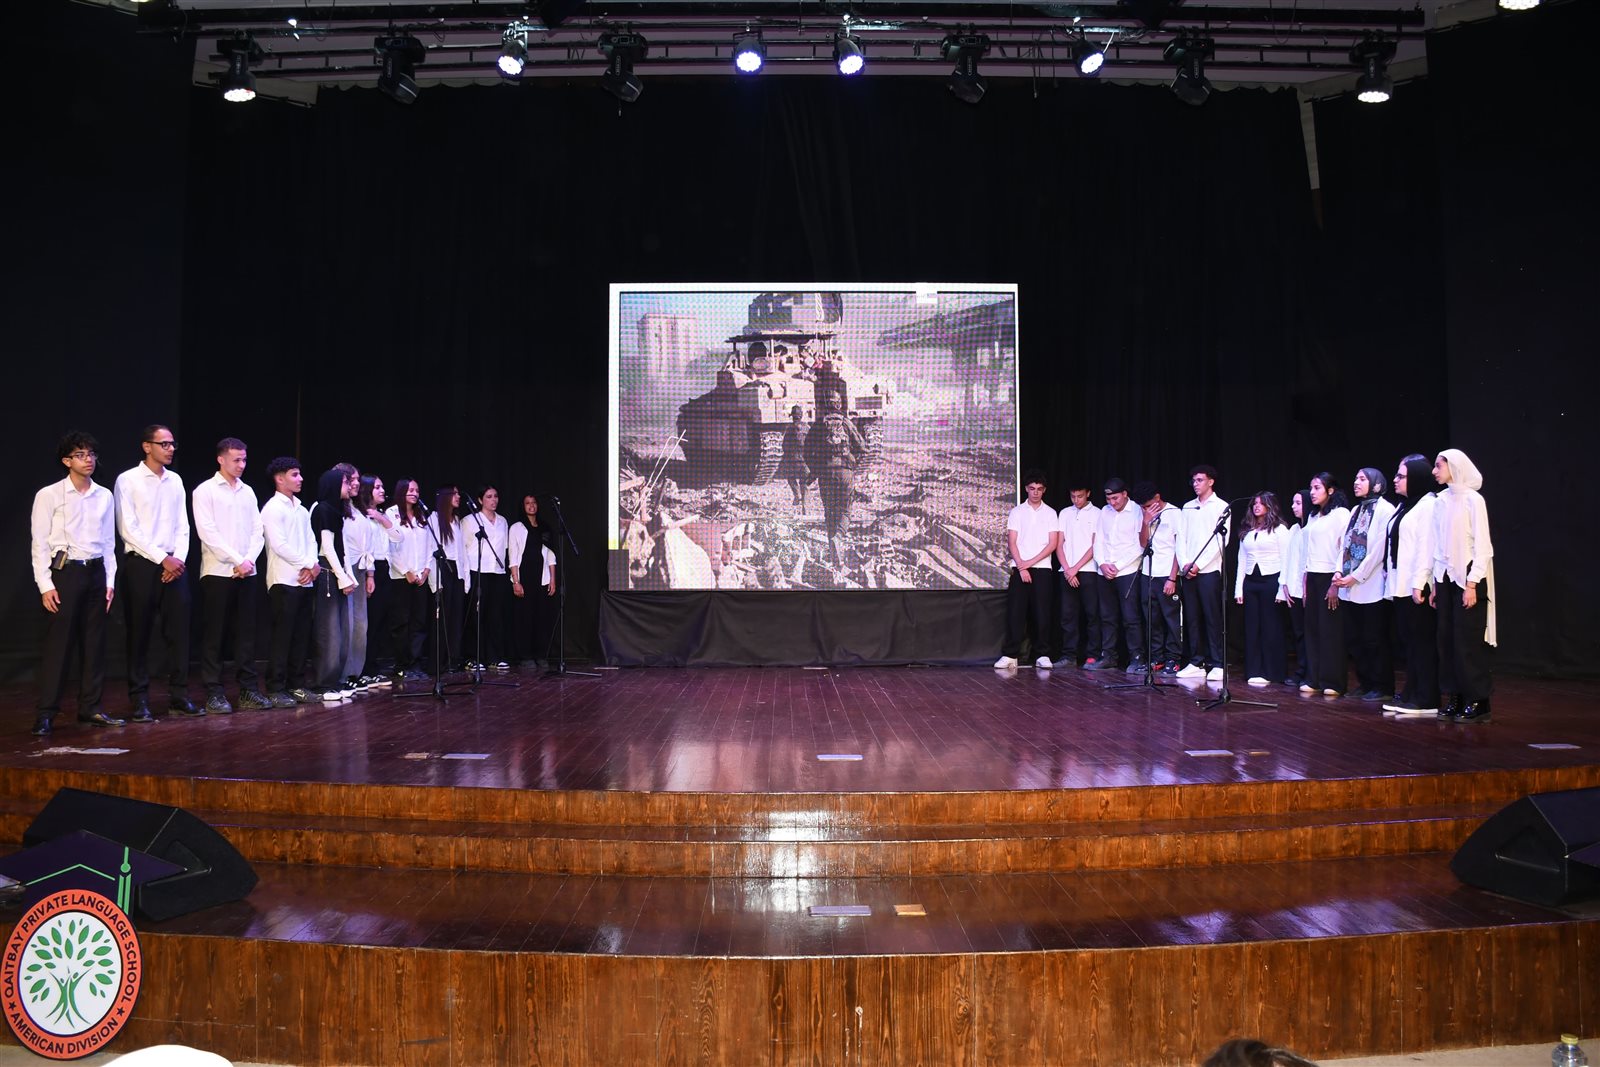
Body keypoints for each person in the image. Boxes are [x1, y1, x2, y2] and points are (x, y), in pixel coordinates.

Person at [30, 432, 121, 735]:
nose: (88, 460)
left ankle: (90, 707)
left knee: (94, 644)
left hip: (96, 572)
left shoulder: (104, 495)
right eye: (80, 455)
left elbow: (109, 542)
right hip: (66, 573)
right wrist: (45, 584)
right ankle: (46, 712)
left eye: (91, 454)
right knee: (59, 645)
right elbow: (39, 543)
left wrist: (109, 580)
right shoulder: (49, 495)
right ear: (66, 461)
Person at [114, 424, 197, 720]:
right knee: (139, 633)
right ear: (147, 446)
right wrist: (163, 559)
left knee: (179, 633)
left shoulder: (175, 480)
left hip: (175, 565)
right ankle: (139, 699)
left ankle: (179, 695)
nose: (171, 449)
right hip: (142, 563)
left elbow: (183, 525)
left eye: (173, 444)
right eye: (164, 444)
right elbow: (128, 528)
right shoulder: (128, 480)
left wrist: (178, 560)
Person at [191, 436, 269, 714]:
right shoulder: (205, 491)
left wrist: (248, 560)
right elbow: (207, 532)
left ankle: (248, 690)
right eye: (236, 460)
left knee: (246, 635)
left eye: (244, 460)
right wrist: (237, 559)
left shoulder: (248, 492)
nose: (241, 465)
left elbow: (258, 530)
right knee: (215, 635)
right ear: (220, 459)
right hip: (218, 572)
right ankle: (214, 692)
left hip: (247, 572)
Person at [1431, 448, 1495, 723]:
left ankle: (1478, 699)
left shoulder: (1473, 500)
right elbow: (1437, 543)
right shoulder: (1441, 501)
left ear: (1454, 467)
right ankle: (1455, 695)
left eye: (1439, 465)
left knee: (1467, 641)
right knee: (1446, 640)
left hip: (1468, 577)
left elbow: (1483, 547)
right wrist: (1435, 583)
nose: (1434, 471)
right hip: (1445, 577)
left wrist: (1471, 584)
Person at [1332, 467, 1397, 703]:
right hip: (1350, 585)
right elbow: (1345, 544)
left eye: (1362, 479)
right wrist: (1339, 571)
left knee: (1374, 639)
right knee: (1355, 638)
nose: (1356, 482)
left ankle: (1382, 686)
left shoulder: (1385, 509)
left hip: (1372, 584)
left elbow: (1378, 550)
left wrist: (1356, 576)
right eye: (1356, 478)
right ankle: (1366, 682)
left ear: (1376, 483)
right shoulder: (1355, 510)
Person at [1383, 454, 1439, 718]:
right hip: (1402, 584)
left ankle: (1426, 698)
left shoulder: (1428, 506)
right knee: (1410, 642)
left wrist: (1419, 583)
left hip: (1419, 585)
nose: (1395, 480)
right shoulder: (1405, 506)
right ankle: (1411, 693)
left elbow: (1426, 547)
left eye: (1401, 476)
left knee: (1422, 643)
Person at [260, 457, 320, 706]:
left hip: (305, 580)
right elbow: (279, 544)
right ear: (279, 478)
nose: (300, 479)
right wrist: (306, 564)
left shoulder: (302, 510)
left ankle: (297, 685)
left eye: (299, 474)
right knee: (282, 637)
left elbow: (311, 540)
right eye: (294, 474)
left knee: (301, 636)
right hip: (283, 580)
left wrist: (313, 565)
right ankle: (275, 687)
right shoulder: (273, 508)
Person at [994, 468, 1059, 670]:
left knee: (1042, 613)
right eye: (1032, 488)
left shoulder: (1051, 513)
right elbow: (1012, 542)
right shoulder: (1017, 512)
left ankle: (1043, 654)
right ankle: (1010, 655)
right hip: (1019, 568)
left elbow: (1052, 544)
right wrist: (1022, 567)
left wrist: (1028, 564)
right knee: (1016, 613)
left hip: (1042, 568)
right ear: (1026, 489)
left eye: (1039, 489)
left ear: (1044, 490)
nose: (1035, 492)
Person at [1175, 464, 1229, 681]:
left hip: (1208, 571)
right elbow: (1181, 537)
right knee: (1192, 617)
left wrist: (1199, 564)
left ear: (1211, 482)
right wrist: (1185, 564)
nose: (1196, 484)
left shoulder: (1221, 506)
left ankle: (1217, 663)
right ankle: (1196, 661)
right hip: (1188, 570)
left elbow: (1220, 542)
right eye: (1194, 481)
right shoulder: (1188, 507)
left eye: (1200, 480)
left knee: (1211, 617)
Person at [310, 465, 359, 702]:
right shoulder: (323, 509)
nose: (349, 487)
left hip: (337, 571)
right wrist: (341, 576)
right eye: (345, 482)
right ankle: (324, 683)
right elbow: (327, 548)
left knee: (339, 630)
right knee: (328, 630)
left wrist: (350, 575)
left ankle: (335, 679)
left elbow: (343, 547)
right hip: (327, 572)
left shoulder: (336, 510)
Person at [1233, 492, 1291, 687]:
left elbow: (1286, 559)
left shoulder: (1279, 529)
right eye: (1254, 503)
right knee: (1252, 627)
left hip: (1271, 581)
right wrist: (1238, 589)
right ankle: (1254, 670)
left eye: (1261, 503)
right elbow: (1241, 560)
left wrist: (1282, 589)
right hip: (1251, 582)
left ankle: (1272, 671)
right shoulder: (1247, 531)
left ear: (1270, 506)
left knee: (1271, 627)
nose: (1256, 506)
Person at [803, 394, 866, 568]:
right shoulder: (846, 423)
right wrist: (853, 464)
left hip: (825, 473)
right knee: (845, 511)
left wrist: (815, 470)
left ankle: (834, 557)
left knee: (829, 512)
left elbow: (806, 451)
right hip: (845, 472)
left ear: (825, 405)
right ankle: (838, 537)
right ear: (839, 405)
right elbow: (862, 447)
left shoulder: (818, 425)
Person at [1302, 472, 1351, 697]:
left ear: (1330, 490)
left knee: (1330, 630)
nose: (1312, 492)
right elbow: (1308, 551)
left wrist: (1336, 581)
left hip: (1330, 576)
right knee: (1312, 629)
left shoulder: (1341, 514)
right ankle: (1314, 678)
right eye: (1311, 488)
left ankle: (1333, 681)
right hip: (1312, 575)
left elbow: (1344, 548)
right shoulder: (1314, 516)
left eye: (1317, 488)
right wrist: (1305, 581)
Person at [1092, 477, 1144, 671]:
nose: (1112, 503)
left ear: (1125, 494)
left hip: (1127, 571)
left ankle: (1137, 657)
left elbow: (1140, 544)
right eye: (1108, 499)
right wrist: (1102, 563)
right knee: (1107, 616)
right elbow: (1098, 540)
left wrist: (1118, 566)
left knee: (1131, 617)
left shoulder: (1137, 511)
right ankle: (1108, 656)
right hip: (1105, 571)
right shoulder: (1104, 512)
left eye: (1115, 498)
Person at [1131, 481, 1182, 675]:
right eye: (1142, 507)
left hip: (1167, 573)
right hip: (1148, 572)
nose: (1145, 509)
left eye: (1148, 505)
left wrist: (1172, 578)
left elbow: (1179, 548)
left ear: (1157, 498)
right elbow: (1143, 543)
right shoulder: (1143, 514)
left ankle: (1173, 658)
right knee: (1152, 618)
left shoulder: (1174, 513)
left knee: (1171, 618)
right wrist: (1146, 522)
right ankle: (1156, 658)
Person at [354, 475, 398, 687]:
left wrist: (381, 518)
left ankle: (373, 666)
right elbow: (366, 547)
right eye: (377, 487)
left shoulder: (382, 515)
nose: (382, 490)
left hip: (383, 569)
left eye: (382, 486)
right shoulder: (359, 515)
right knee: (367, 622)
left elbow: (398, 536)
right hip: (368, 568)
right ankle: (362, 669)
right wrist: (369, 575)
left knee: (380, 620)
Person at [385, 478, 431, 680]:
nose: (415, 493)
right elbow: (391, 547)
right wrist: (406, 571)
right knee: (401, 622)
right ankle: (401, 664)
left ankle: (415, 663)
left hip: (420, 576)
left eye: (417, 490)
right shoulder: (392, 513)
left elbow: (429, 545)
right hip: (400, 576)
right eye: (411, 490)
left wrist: (426, 570)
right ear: (401, 491)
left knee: (419, 622)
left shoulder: (422, 515)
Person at [463, 485, 512, 670]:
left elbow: (504, 548)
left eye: (496, 496)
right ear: (480, 500)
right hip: (477, 571)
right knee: (477, 615)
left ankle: (494, 656)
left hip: (497, 572)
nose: (493, 500)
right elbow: (464, 548)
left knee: (495, 616)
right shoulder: (470, 520)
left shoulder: (503, 521)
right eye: (489, 496)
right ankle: (474, 657)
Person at [1054, 479, 1100, 668]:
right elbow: (1059, 544)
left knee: (1092, 614)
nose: (1076, 500)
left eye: (1080, 496)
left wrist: (1076, 568)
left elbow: (1095, 545)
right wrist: (1067, 569)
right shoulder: (1065, 513)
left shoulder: (1097, 513)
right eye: (1073, 496)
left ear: (1088, 493)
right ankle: (1069, 656)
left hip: (1088, 571)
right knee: (1068, 615)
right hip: (1066, 572)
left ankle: (1093, 655)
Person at [509, 493, 557, 670]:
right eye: (527, 503)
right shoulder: (517, 527)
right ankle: (525, 656)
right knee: (525, 618)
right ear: (523, 507)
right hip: (524, 577)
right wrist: (516, 581)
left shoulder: (544, 527)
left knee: (541, 618)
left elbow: (551, 555)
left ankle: (541, 654)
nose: (531, 506)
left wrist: (553, 579)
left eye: (534, 502)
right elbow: (513, 555)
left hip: (541, 578)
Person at [427, 485, 470, 671]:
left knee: (455, 618)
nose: (458, 496)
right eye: (454, 493)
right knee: (442, 618)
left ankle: (453, 659)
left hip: (456, 571)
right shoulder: (434, 519)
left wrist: (466, 578)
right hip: (442, 570)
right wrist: (435, 581)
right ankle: (438, 662)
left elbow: (462, 552)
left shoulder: (456, 520)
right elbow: (430, 549)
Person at [1279, 489, 1311, 688]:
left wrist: (1306, 588)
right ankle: (1301, 669)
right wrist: (1284, 584)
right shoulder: (1294, 529)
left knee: (1310, 633)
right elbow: (1287, 559)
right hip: (1294, 590)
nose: (1293, 507)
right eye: (1293, 502)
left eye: (1298, 503)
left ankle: (1311, 672)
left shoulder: (1312, 528)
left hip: (1308, 590)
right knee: (1299, 633)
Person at [778, 405, 809, 510]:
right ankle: (805, 504)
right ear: (801, 415)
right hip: (805, 460)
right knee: (804, 482)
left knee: (790, 477)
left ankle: (797, 495)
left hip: (793, 460)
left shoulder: (790, 429)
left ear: (793, 416)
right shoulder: (807, 427)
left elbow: (784, 445)